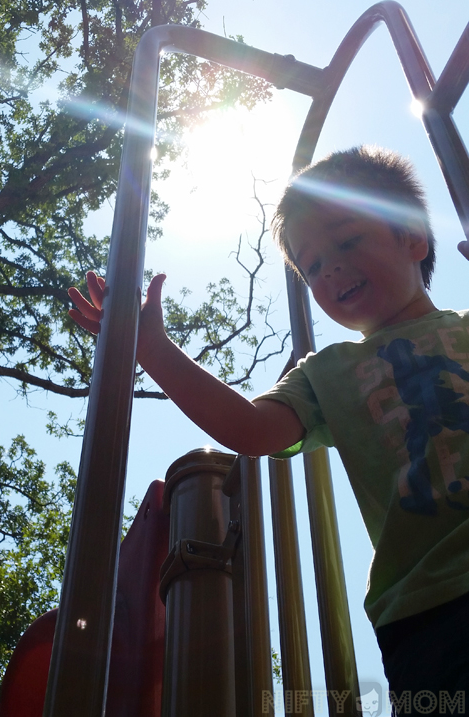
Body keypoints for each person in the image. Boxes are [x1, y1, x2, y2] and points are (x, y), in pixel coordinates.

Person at [69, 145, 469, 707]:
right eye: (311, 264)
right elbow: (251, 429)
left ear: (412, 238)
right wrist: (152, 350)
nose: (328, 267)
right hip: (430, 607)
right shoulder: (328, 373)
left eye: (347, 240)